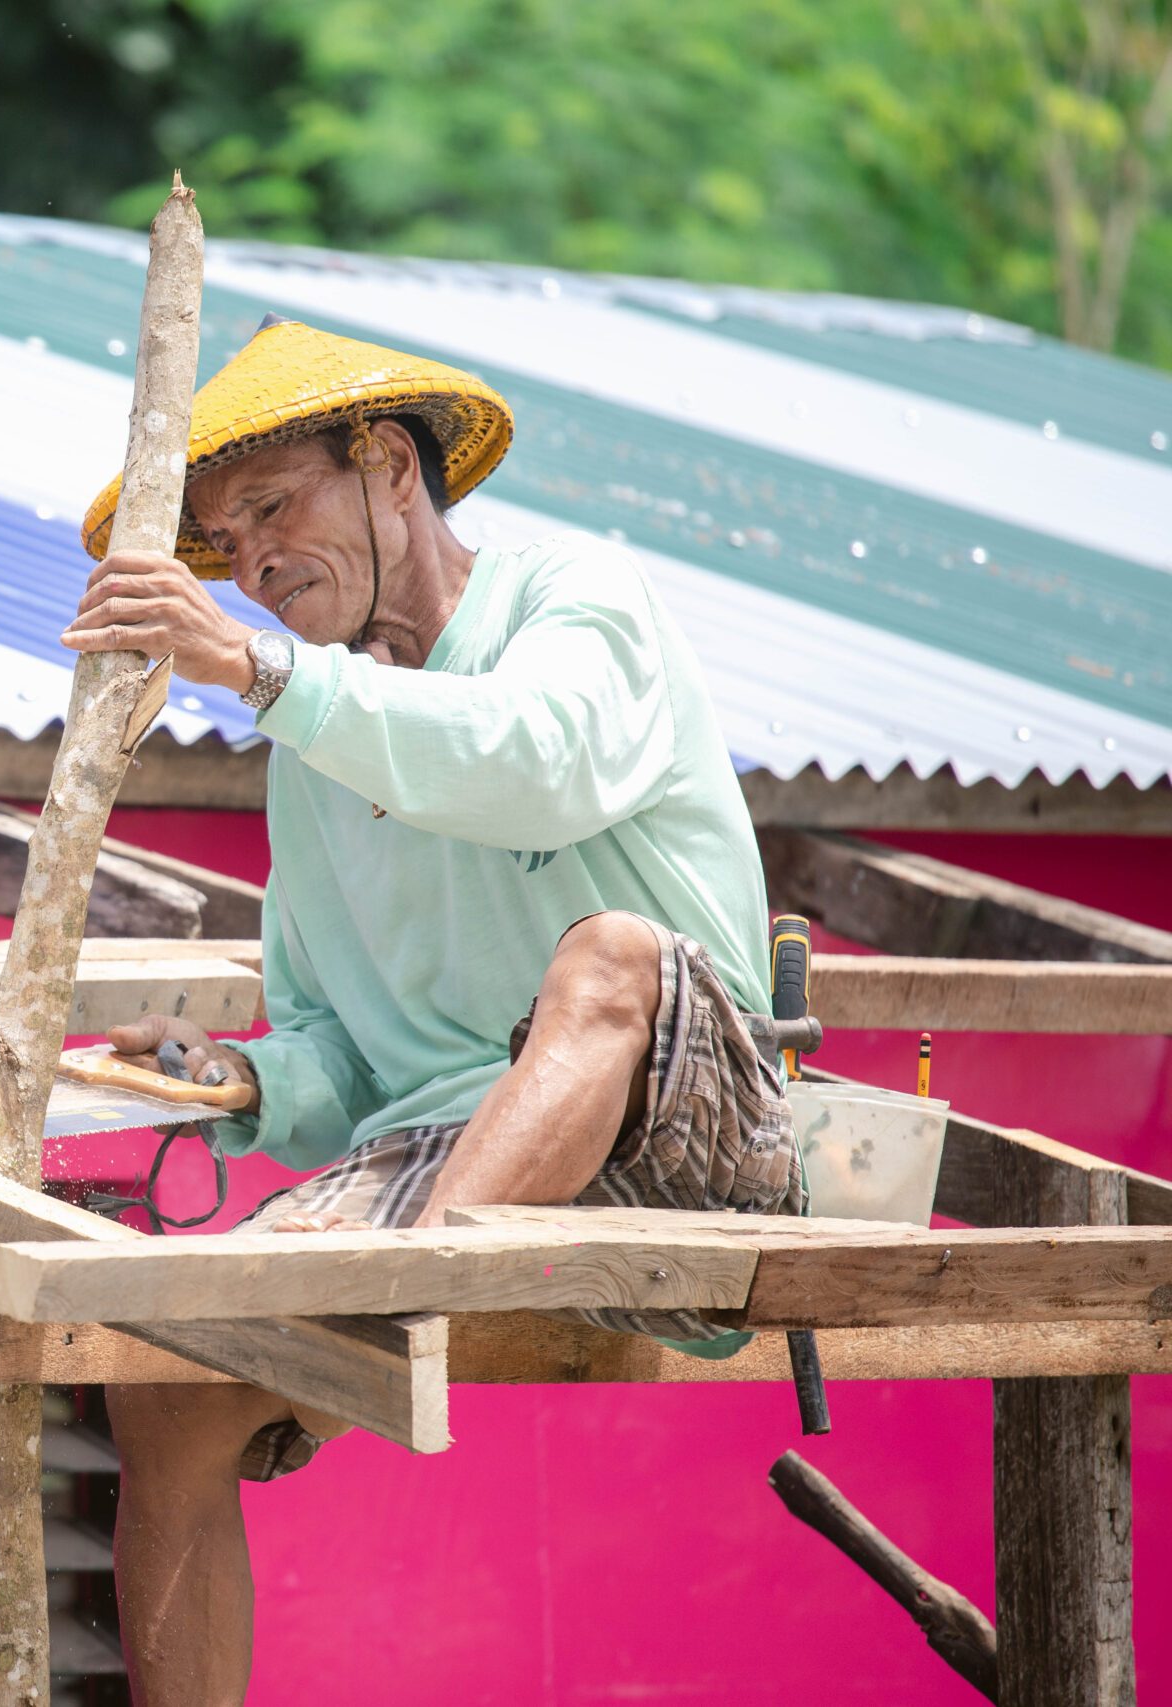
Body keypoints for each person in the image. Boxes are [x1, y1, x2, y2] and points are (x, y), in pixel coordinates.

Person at [58, 319, 802, 1707]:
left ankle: (387, 1313)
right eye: (225, 541)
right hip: (455, 1163)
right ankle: (386, 1313)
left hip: (689, 1128)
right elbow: (348, 1053)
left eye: (274, 507)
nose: (256, 565)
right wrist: (238, 1077)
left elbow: (535, 767)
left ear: (391, 466)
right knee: (159, 1387)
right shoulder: (314, 748)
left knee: (610, 957)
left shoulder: (576, 596)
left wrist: (262, 673)